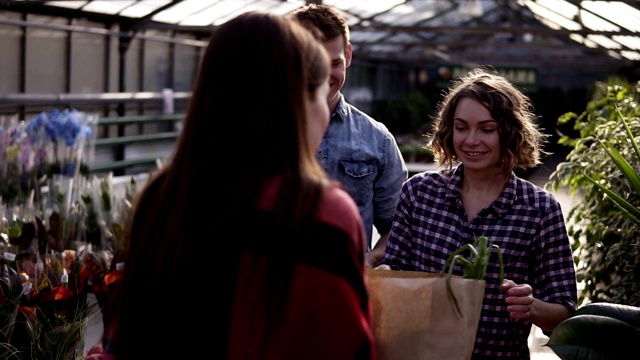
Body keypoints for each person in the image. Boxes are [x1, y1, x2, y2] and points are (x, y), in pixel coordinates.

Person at [88, 12, 375, 360]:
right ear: (292, 104)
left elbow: (131, 333)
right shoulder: (321, 212)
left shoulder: (164, 196)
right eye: (316, 93)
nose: (324, 112)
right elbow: (348, 347)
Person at [378, 68, 578, 359]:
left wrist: (531, 306)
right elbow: (395, 271)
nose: (471, 140)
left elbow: (564, 313)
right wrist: (384, 277)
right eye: (461, 127)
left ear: (509, 132)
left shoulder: (539, 209)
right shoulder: (420, 193)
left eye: (487, 129)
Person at [289, 4, 408, 268]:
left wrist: (371, 258)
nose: (321, 75)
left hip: (344, 287)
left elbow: (398, 226)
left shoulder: (377, 139)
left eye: (334, 64)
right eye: (311, 62)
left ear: (349, 56)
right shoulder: (256, 132)